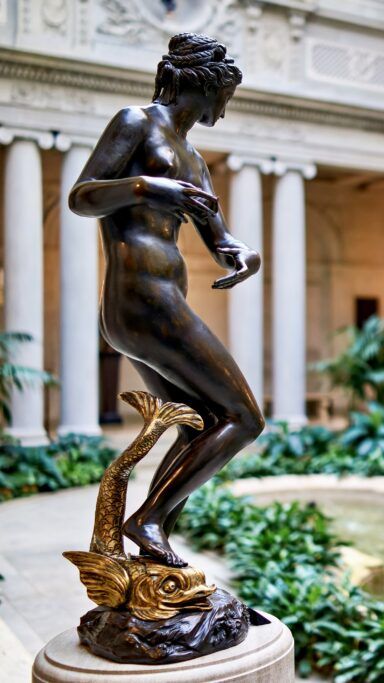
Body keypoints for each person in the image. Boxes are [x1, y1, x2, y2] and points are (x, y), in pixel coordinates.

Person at [69, 33, 264, 567]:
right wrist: (147, 188)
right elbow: (82, 197)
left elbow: (220, 238)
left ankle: (155, 552)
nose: (223, 110)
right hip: (140, 297)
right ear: (200, 86)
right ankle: (149, 518)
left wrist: (244, 255)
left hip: (161, 298)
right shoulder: (136, 123)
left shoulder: (195, 160)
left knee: (197, 421)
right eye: (221, 97)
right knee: (244, 419)